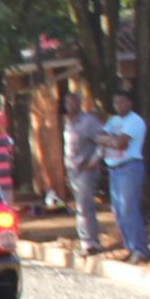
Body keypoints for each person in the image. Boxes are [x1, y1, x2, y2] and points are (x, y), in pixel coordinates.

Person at [99, 89, 150, 262]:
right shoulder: (113, 120)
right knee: (118, 211)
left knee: (129, 208)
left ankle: (140, 249)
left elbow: (121, 144)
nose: (119, 106)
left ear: (130, 103)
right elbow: (98, 136)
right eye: (116, 103)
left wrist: (110, 140)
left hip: (129, 167)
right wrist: (109, 140)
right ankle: (130, 247)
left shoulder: (135, 121)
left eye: (122, 102)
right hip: (114, 168)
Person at [61, 89, 106, 253]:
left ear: (79, 103)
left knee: (85, 206)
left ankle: (91, 242)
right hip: (72, 170)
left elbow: (103, 141)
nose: (70, 105)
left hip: (86, 170)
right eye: (67, 102)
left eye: (73, 101)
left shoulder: (89, 121)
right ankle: (85, 240)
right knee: (80, 206)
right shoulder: (68, 123)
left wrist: (93, 161)